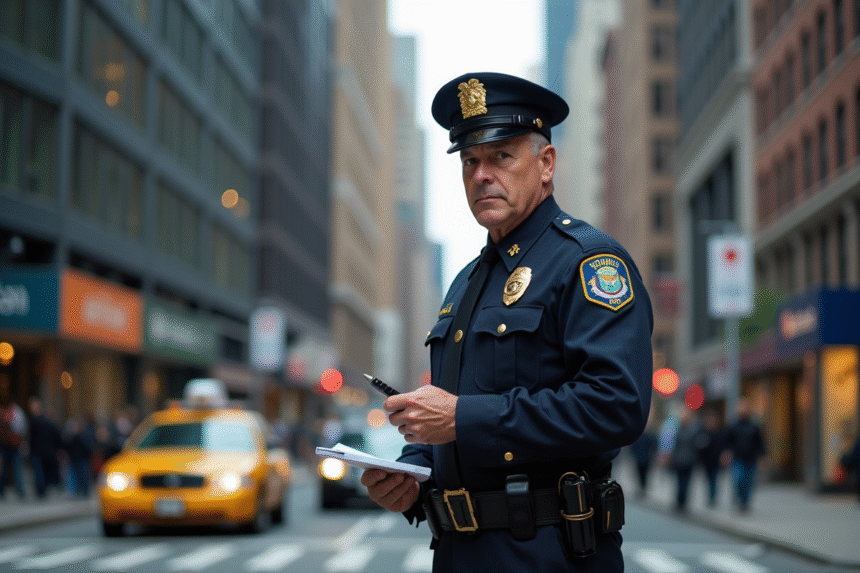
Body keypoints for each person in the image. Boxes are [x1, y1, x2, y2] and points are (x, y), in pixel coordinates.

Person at [361, 72, 654, 572]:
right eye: (470, 161)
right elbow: (459, 419)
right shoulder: (466, 282)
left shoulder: (588, 262)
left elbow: (616, 405)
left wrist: (462, 418)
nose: (481, 175)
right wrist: (412, 473)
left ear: (546, 164)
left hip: (549, 555)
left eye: (501, 156)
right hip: (457, 554)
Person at [723, 399, 766, 513]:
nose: (742, 410)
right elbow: (727, 442)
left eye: (744, 407)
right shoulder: (733, 425)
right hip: (738, 459)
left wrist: (763, 456)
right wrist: (726, 455)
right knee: (739, 480)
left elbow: (760, 442)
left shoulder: (754, 425)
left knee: (749, 482)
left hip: (751, 459)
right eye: (740, 407)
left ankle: (744, 503)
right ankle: (739, 499)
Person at [27, 398, 63, 498]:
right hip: (47, 452)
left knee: (40, 472)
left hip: (39, 452)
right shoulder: (49, 423)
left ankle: (41, 490)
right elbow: (58, 439)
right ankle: (43, 489)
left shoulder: (36, 421)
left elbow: (31, 438)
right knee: (43, 471)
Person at [669, 408, 700, 513]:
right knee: (679, 482)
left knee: (685, 483)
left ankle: (682, 502)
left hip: (688, 461)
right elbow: (675, 445)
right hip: (679, 461)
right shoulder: (679, 429)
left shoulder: (693, 430)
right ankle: (679, 501)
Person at [696, 409, 725, 508]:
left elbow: (723, 446)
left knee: (714, 480)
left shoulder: (720, 432)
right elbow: (699, 446)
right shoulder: (703, 432)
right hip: (706, 461)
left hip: (716, 461)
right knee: (708, 480)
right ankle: (710, 496)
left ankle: (712, 497)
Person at [628, 421, 657, 498]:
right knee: (640, 474)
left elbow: (653, 447)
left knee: (644, 474)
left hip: (645, 459)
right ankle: (641, 488)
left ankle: (642, 488)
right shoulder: (640, 436)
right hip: (641, 458)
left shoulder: (649, 436)